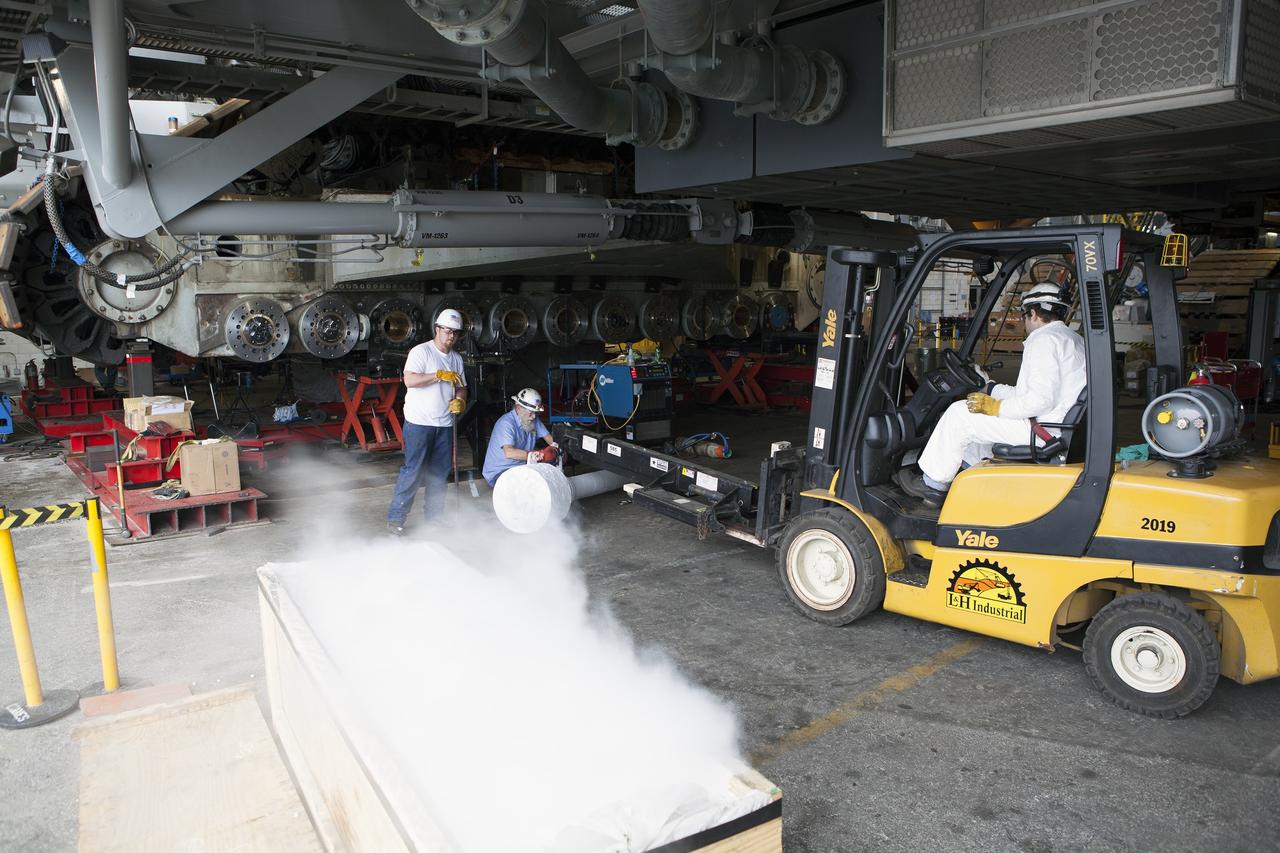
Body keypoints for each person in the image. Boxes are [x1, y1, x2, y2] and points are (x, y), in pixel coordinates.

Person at [897, 282, 1086, 508]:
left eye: (1025, 316)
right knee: (978, 428)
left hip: (1043, 430)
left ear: (1033, 314)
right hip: (1055, 425)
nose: (1025, 323)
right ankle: (970, 481)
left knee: (960, 414)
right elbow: (1028, 394)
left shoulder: (1043, 340)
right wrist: (990, 388)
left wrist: (995, 408)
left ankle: (932, 485)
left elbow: (1038, 401)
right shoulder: (1072, 339)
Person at [386, 309, 467, 535]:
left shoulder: (457, 359)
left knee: (439, 475)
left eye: (456, 333)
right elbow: (409, 380)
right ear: (437, 329)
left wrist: (460, 401)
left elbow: (462, 387)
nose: (451, 336)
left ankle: (434, 520)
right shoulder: (421, 352)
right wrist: (437, 375)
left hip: (445, 425)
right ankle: (396, 520)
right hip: (419, 423)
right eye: (448, 331)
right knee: (413, 472)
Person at [482, 388, 559, 487]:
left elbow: (551, 440)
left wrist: (558, 449)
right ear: (518, 408)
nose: (534, 416)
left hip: (521, 466)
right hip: (500, 472)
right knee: (534, 486)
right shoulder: (506, 424)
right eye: (531, 412)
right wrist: (538, 454)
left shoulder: (532, 419)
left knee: (550, 473)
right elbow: (509, 452)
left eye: (536, 413)